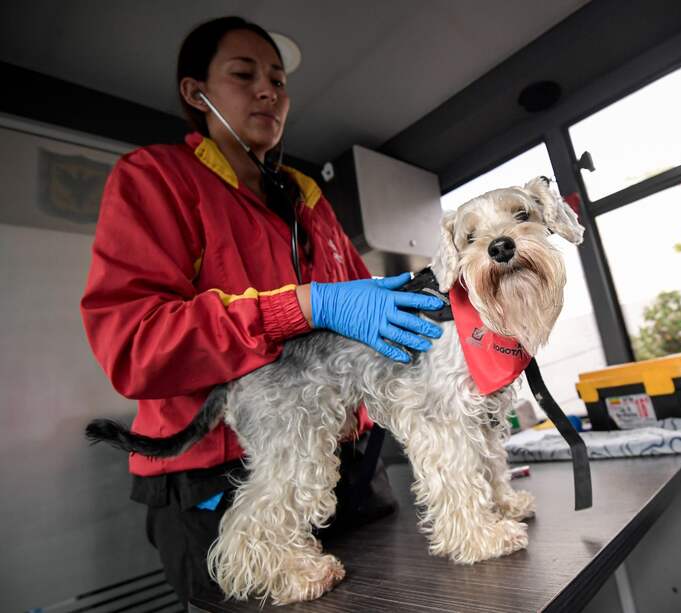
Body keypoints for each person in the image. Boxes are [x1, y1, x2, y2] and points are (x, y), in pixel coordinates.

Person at [80, 16, 444, 604]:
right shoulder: (156, 180)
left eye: (277, 79)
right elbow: (135, 346)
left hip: (342, 463)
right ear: (196, 93)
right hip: (219, 475)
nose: (269, 91)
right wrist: (300, 306)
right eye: (244, 74)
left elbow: (368, 315)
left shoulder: (308, 200)